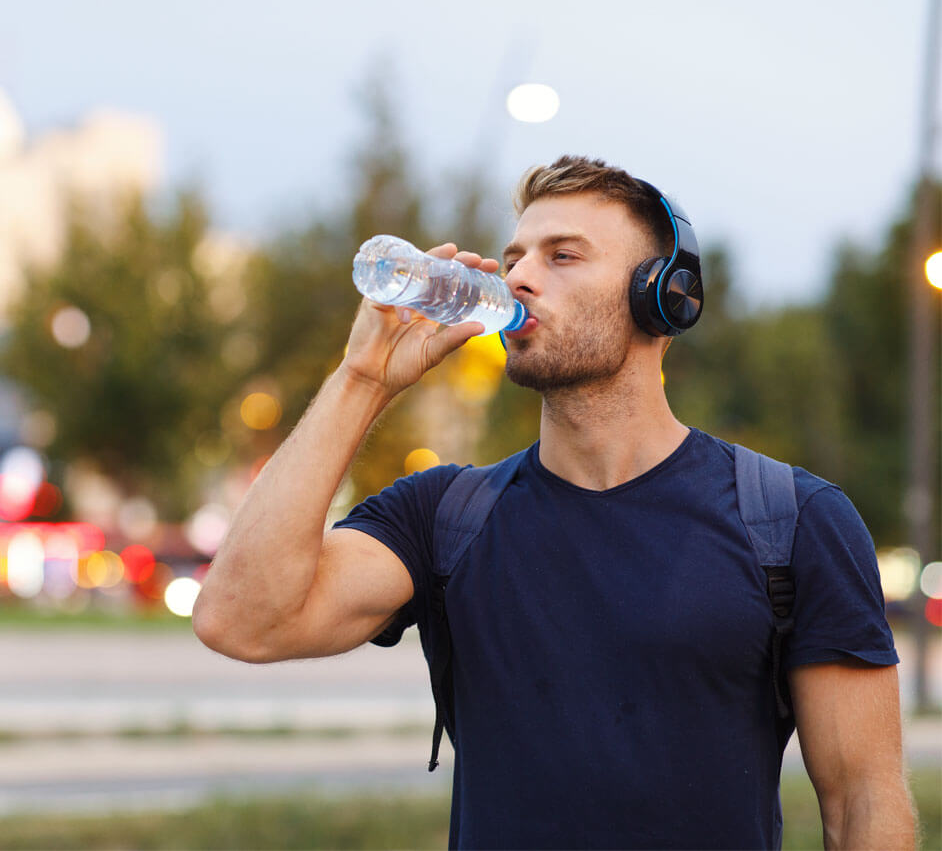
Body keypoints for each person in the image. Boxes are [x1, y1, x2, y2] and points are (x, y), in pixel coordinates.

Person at [193, 156, 916, 849]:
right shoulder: (444, 516)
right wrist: (362, 378)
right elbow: (242, 621)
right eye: (515, 257)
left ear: (662, 295)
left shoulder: (791, 520)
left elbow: (863, 803)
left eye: (562, 256)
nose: (519, 278)